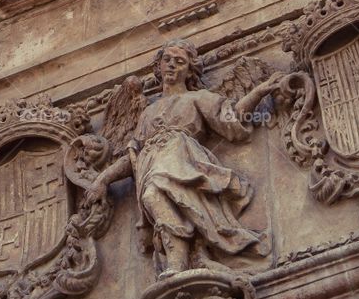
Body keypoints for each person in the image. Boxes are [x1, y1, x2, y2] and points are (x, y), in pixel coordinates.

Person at [84, 40, 283, 276]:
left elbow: (231, 119)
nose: (172, 66)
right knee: (155, 197)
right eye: (167, 60)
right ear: (158, 67)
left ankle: (184, 259)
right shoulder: (147, 112)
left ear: (190, 70)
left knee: (154, 193)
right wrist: (103, 179)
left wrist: (258, 92)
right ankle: (185, 259)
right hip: (151, 164)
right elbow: (132, 155)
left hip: (182, 160)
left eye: (180, 62)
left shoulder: (198, 98)